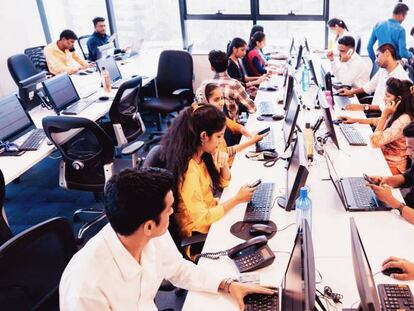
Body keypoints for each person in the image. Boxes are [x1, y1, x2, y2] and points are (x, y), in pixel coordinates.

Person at [59, 168, 274, 310]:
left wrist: (227, 284)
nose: (173, 212)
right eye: (170, 209)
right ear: (149, 226)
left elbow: (177, 269)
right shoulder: (85, 289)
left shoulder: (147, 236)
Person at [160, 105, 257, 258]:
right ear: (204, 136)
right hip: (199, 237)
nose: (221, 141)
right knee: (251, 242)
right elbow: (203, 219)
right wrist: (237, 199)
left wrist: (224, 163)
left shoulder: (202, 154)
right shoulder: (189, 169)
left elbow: (224, 184)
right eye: (219, 136)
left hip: (212, 218)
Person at [340, 78, 414, 174]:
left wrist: (384, 115)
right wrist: (355, 120)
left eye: (387, 96)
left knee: (353, 165)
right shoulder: (398, 111)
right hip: (381, 156)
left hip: (392, 166)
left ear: (398, 99)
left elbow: (375, 141)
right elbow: (377, 121)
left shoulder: (404, 120)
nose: (384, 99)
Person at [196, 83, 266, 165]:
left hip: (225, 164)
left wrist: (250, 137)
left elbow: (235, 127)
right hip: (224, 167)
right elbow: (223, 157)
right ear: (205, 102)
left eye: (222, 98)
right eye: (216, 100)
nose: (221, 103)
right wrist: (251, 141)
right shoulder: (206, 125)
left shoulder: (215, 116)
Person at [366, 121, 414, 222]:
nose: (408, 153)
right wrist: (386, 180)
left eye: (412, 149)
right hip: (406, 210)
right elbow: (408, 178)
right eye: (408, 148)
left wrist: (392, 201)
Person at [339, 44, 409, 112]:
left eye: (377, 56)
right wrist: (351, 92)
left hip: (381, 114)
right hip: (372, 108)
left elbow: (387, 107)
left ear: (387, 53)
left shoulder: (400, 77)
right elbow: (371, 85)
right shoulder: (383, 69)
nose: (375, 61)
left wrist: (363, 107)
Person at [200, 50, 256, 121]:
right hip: (232, 128)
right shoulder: (234, 84)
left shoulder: (204, 85)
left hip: (212, 128)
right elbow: (252, 108)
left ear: (212, 67)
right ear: (228, 64)